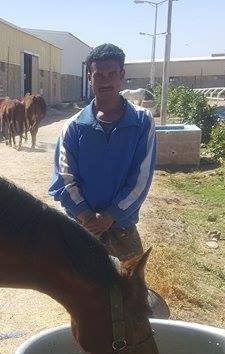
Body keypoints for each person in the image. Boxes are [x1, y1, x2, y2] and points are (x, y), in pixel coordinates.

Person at [48, 44, 156, 261]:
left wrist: (110, 216)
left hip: (121, 227)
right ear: (90, 78)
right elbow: (65, 178)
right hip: (80, 227)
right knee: (74, 291)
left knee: (131, 291)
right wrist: (86, 216)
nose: (105, 81)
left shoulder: (142, 121)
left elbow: (141, 178)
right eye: (99, 75)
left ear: (122, 75)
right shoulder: (74, 126)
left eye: (112, 74)